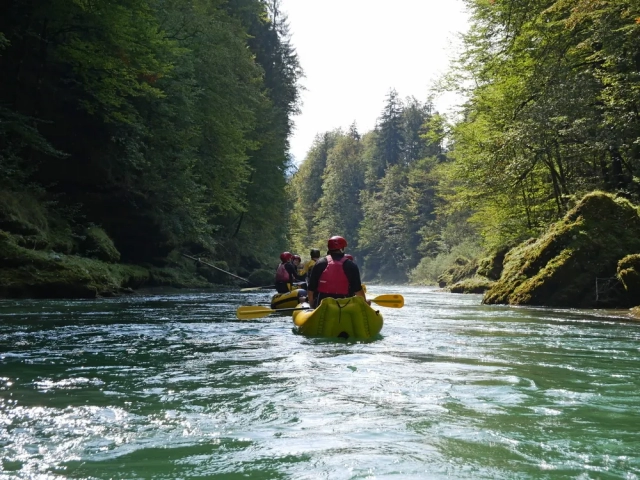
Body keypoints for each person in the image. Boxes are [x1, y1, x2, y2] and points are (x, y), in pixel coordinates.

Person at [307, 236, 368, 308]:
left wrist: (312, 306)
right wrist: (365, 304)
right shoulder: (351, 265)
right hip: (345, 305)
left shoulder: (319, 263)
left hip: (322, 305)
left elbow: (311, 289)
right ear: (342, 249)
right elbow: (358, 290)